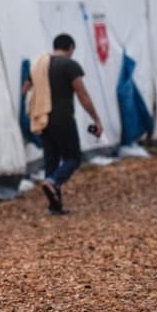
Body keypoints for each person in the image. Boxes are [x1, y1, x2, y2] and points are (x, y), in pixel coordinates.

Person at [23, 33, 103, 215]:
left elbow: (26, 87)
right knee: (73, 158)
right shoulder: (69, 65)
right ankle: (53, 182)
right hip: (63, 118)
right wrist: (96, 119)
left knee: (51, 161)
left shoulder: (38, 65)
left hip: (42, 118)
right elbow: (82, 94)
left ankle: (55, 205)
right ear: (70, 48)